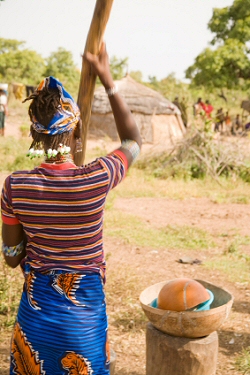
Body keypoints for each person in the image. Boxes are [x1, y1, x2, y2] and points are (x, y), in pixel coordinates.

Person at [1, 42, 141, 375]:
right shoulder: (98, 176)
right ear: (78, 136)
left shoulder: (16, 187)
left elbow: (10, 257)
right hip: (84, 326)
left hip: (34, 324)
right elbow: (133, 142)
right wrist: (109, 82)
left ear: (35, 137)